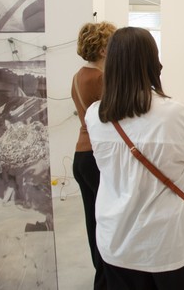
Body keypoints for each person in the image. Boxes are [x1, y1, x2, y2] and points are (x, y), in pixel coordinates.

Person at [85, 27, 184, 290]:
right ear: (153, 61)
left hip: (116, 244)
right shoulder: (177, 114)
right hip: (171, 247)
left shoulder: (95, 115)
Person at [71, 21, 117, 290]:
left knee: (93, 218)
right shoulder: (100, 78)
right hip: (97, 156)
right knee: (109, 219)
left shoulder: (78, 75)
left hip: (81, 156)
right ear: (102, 49)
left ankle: (100, 272)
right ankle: (107, 277)